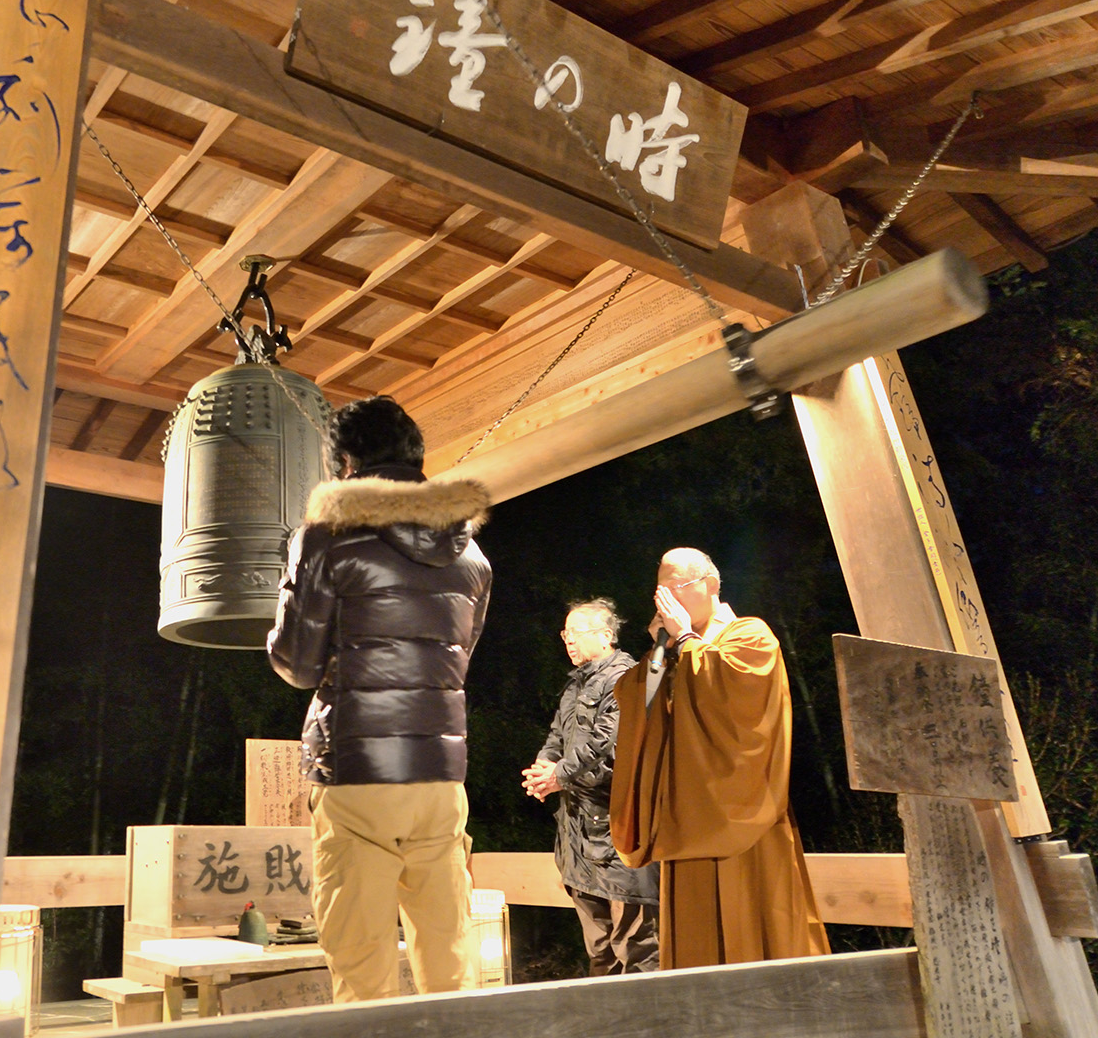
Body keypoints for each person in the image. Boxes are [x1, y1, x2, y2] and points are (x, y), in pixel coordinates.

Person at [267, 396, 492, 1002]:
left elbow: (297, 663)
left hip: (359, 771)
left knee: (360, 956)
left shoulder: (326, 539)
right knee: (448, 953)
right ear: (416, 461)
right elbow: (457, 654)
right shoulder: (472, 556)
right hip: (441, 777)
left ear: (345, 463)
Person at [608, 548, 829, 969]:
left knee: (760, 935)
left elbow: (732, 698)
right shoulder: (672, 647)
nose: (666, 601)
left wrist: (687, 639)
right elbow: (638, 700)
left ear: (710, 584)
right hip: (685, 821)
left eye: (676, 588)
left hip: (744, 819)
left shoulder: (749, 635)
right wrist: (662, 646)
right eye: (661, 592)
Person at [523, 599, 660, 975]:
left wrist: (560, 775)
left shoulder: (627, 677)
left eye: (577, 633)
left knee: (636, 946)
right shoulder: (575, 685)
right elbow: (556, 736)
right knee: (599, 949)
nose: (568, 641)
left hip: (618, 833)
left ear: (605, 635)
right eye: (566, 634)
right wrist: (543, 769)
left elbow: (609, 743)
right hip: (578, 837)